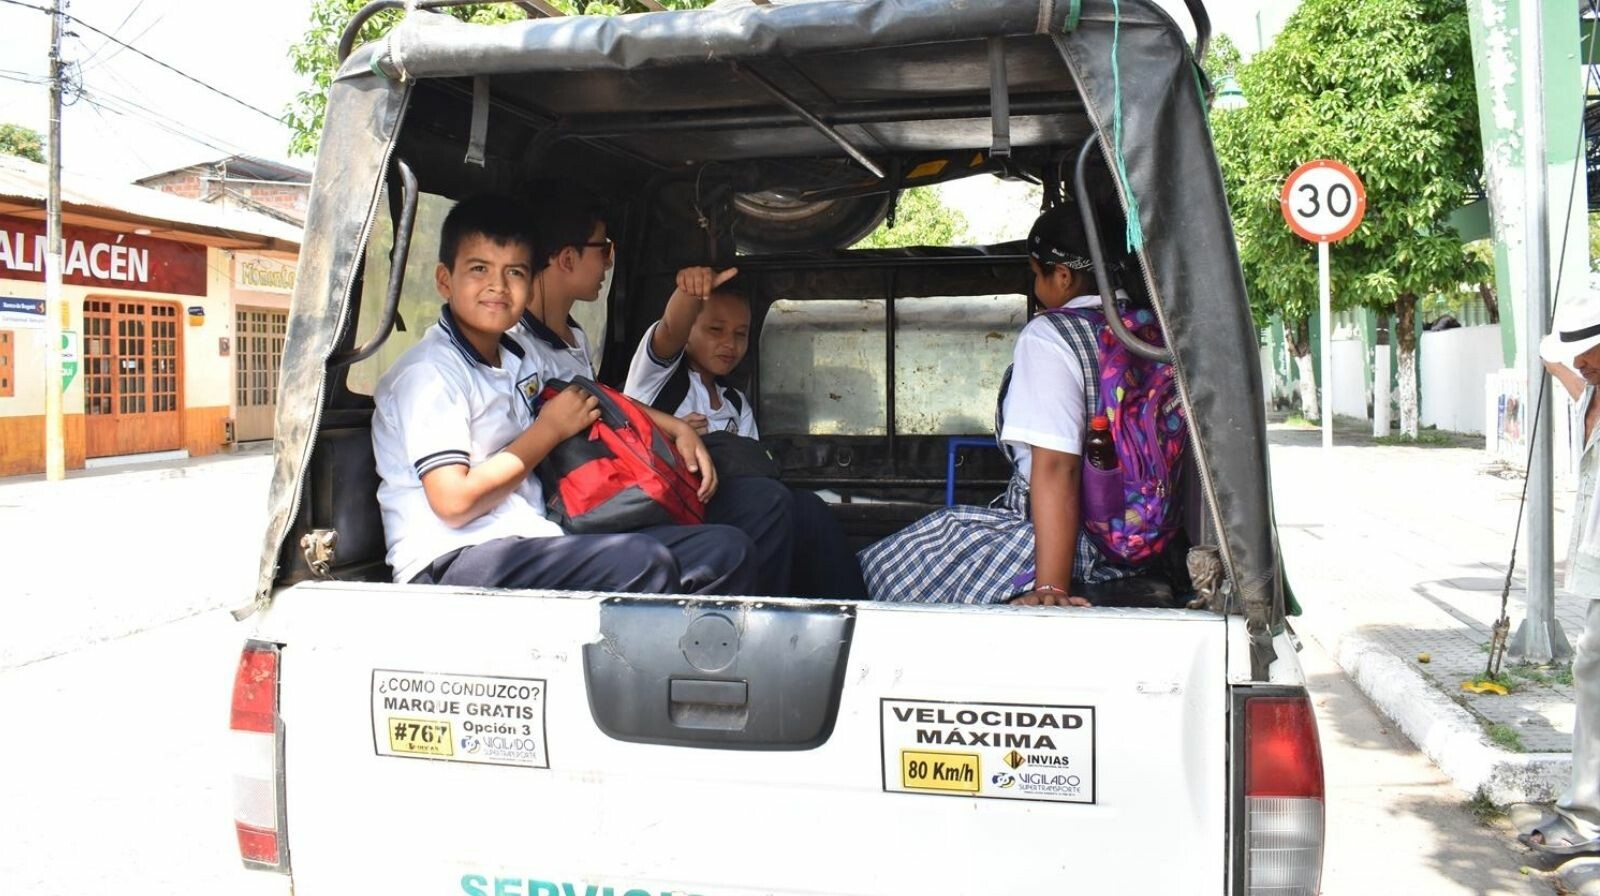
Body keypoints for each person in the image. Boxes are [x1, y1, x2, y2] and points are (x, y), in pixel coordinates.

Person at [371, 193, 756, 595]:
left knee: (725, 550)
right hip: (452, 558)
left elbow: (590, 394)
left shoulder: (517, 358)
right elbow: (454, 502)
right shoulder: (430, 373)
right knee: (643, 561)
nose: (498, 287)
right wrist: (549, 430)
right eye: (479, 269)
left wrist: (675, 427)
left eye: (515, 273)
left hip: (531, 536)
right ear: (444, 280)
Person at [857, 203, 1138, 604]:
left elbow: (1058, 465)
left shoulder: (1050, 337)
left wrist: (1050, 588)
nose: (1035, 287)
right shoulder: (1142, 329)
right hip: (1136, 536)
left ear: (1062, 276)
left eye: (1036, 274)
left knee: (898, 563)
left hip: (1073, 542)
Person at [522, 194, 795, 596]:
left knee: (779, 504)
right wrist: (689, 292)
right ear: (566, 259)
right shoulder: (517, 348)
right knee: (733, 539)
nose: (610, 261)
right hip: (586, 498)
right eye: (605, 249)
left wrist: (675, 430)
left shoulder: (574, 338)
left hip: (619, 480)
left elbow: (602, 402)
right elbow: (670, 331)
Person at [624, 266, 868, 600]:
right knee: (770, 501)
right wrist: (688, 293)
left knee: (809, 509)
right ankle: (759, 616)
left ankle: (853, 610)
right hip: (669, 507)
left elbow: (756, 471)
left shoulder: (735, 404)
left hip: (729, 505)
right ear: (690, 329)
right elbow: (669, 328)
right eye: (715, 329)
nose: (729, 343)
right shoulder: (658, 376)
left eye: (740, 334)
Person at [1521, 294, 1600, 854]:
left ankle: (1587, 816)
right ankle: (1587, 812)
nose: (1581, 366)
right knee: (1591, 673)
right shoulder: (1590, 393)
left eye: (1589, 356)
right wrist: (1560, 349)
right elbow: (1556, 357)